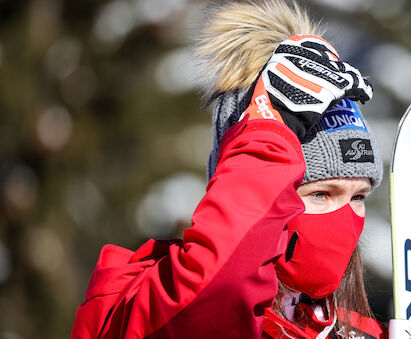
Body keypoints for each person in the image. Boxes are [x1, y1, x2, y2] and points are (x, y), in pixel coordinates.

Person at [71, 1, 386, 338]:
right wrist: (268, 132)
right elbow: (218, 293)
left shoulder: (353, 331)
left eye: (358, 197)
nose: (344, 219)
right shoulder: (153, 309)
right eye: (321, 193)